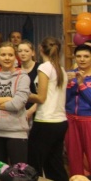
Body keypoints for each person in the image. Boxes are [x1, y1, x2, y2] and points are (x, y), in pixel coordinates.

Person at [26, 37, 68, 181]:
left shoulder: (44, 67)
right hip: (60, 122)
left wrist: (22, 94)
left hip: (46, 122)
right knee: (54, 164)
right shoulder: (61, 69)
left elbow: (41, 98)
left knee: (33, 163)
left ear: (40, 48)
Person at [65, 44, 91, 177]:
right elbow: (63, 100)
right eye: (79, 56)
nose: (82, 59)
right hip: (71, 120)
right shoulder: (70, 75)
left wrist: (81, 84)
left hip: (88, 121)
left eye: (86, 56)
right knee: (74, 158)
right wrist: (68, 84)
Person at [18, 41, 39, 122]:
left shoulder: (40, 68)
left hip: (38, 110)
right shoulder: (16, 70)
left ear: (33, 53)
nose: (23, 54)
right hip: (20, 110)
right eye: (20, 51)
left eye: (26, 51)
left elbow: (44, 95)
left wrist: (31, 111)